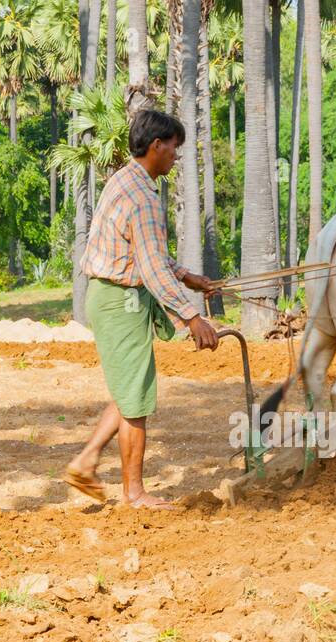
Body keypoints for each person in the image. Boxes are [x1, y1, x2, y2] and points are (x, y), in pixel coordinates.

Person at [64, 109, 220, 509]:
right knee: (136, 399)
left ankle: (86, 461)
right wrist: (191, 316)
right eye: (173, 148)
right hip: (122, 301)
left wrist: (188, 278)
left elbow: (148, 255)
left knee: (130, 388)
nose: (175, 156)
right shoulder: (143, 199)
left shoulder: (128, 180)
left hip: (112, 297)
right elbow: (150, 268)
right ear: (156, 145)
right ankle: (133, 494)